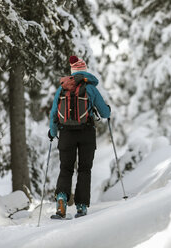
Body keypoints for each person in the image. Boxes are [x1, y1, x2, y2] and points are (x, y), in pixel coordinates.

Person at [48, 55, 111, 218]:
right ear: (84, 71)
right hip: (86, 132)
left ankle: (61, 199)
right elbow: (104, 112)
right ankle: (81, 206)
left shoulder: (62, 88)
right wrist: (108, 110)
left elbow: (54, 113)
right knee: (84, 169)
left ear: (72, 72)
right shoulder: (90, 88)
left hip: (66, 133)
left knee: (66, 168)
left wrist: (53, 132)